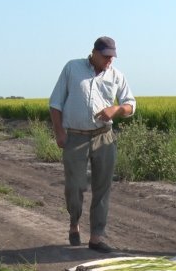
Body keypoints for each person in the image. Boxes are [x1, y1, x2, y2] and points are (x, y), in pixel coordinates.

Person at [49, 36, 136, 253]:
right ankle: (74, 222)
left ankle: (96, 237)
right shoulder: (72, 68)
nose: (109, 61)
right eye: (105, 56)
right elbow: (55, 102)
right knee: (75, 186)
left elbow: (131, 105)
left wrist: (115, 110)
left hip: (104, 136)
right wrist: (59, 132)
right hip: (75, 137)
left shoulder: (117, 76)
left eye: (112, 57)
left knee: (102, 187)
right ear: (94, 53)